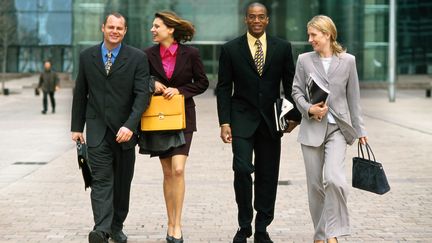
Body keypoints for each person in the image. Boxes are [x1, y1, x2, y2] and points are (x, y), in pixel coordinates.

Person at [216, 3, 301, 243]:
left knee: (268, 174)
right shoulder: (230, 49)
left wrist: (294, 116)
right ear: (246, 20)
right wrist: (224, 122)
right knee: (242, 170)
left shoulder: (282, 47)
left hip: (271, 120)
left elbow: (290, 83)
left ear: (267, 20)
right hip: (241, 118)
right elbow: (223, 88)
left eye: (260, 17)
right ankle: (244, 225)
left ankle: (262, 227)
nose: (256, 20)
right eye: (252, 17)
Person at [71, 12, 151, 243]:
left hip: (124, 133)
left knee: (122, 183)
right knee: (101, 181)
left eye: (119, 28)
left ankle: (116, 226)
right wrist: (77, 126)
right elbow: (80, 93)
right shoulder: (87, 57)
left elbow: (141, 97)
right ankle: (102, 229)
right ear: (102, 28)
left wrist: (130, 126)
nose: (114, 31)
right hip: (97, 131)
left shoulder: (136, 58)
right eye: (111, 27)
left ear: (125, 31)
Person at [291, 15, 368, 243]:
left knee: (334, 180)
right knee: (315, 187)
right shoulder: (304, 60)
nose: (310, 39)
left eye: (314, 35)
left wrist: (360, 129)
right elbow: (296, 92)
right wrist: (309, 109)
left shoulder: (348, 61)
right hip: (312, 130)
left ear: (327, 34)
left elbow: (354, 98)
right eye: (309, 35)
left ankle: (332, 233)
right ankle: (321, 235)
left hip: (337, 130)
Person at [143, 11, 209, 243]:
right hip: (159, 119)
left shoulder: (191, 54)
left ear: (170, 29)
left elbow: (202, 82)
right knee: (167, 172)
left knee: (178, 170)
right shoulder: (147, 54)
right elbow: (140, 80)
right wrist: (154, 83)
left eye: (156, 26)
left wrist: (180, 90)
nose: (152, 30)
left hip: (183, 118)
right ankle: (169, 222)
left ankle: (177, 224)